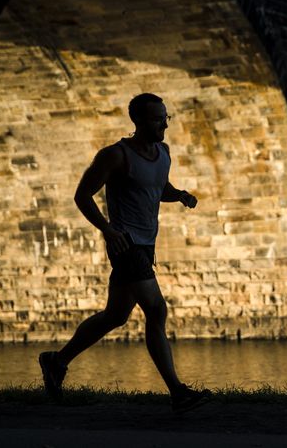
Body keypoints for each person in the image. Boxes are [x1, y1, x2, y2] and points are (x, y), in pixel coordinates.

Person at [38, 93, 211, 413]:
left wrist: (182, 195)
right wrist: (107, 229)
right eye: (158, 118)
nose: (164, 124)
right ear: (139, 121)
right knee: (156, 310)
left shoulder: (164, 153)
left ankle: (56, 361)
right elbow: (82, 195)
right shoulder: (115, 156)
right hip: (125, 244)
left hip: (147, 245)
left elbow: (160, 189)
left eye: (165, 117)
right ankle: (177, 392)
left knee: (115, 316)